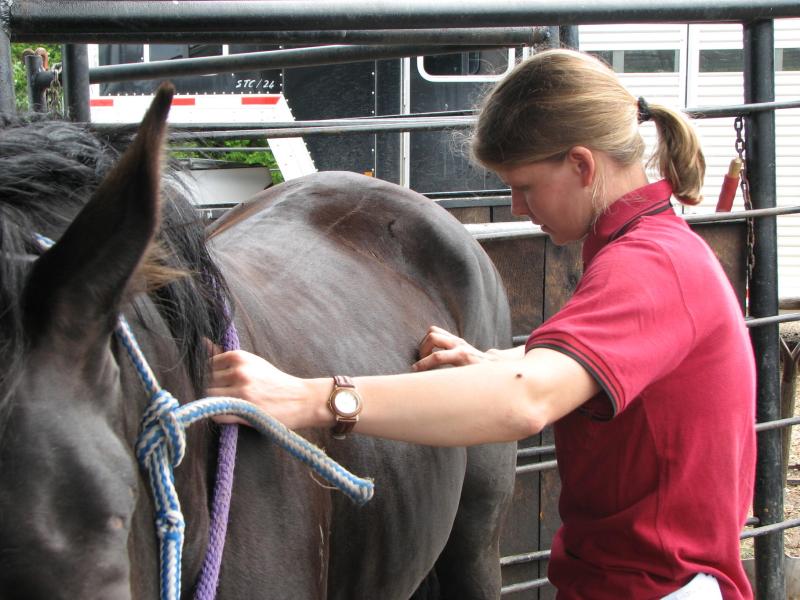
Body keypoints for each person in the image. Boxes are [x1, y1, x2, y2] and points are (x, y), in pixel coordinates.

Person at [208, 49, 756, 599]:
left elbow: (525, 402)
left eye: (525, 185)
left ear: (582, 166)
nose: (518, 207)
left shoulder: (646, 266)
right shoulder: (657, 248)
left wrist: (308, 399)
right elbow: (623, 378)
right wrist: (497, 364)